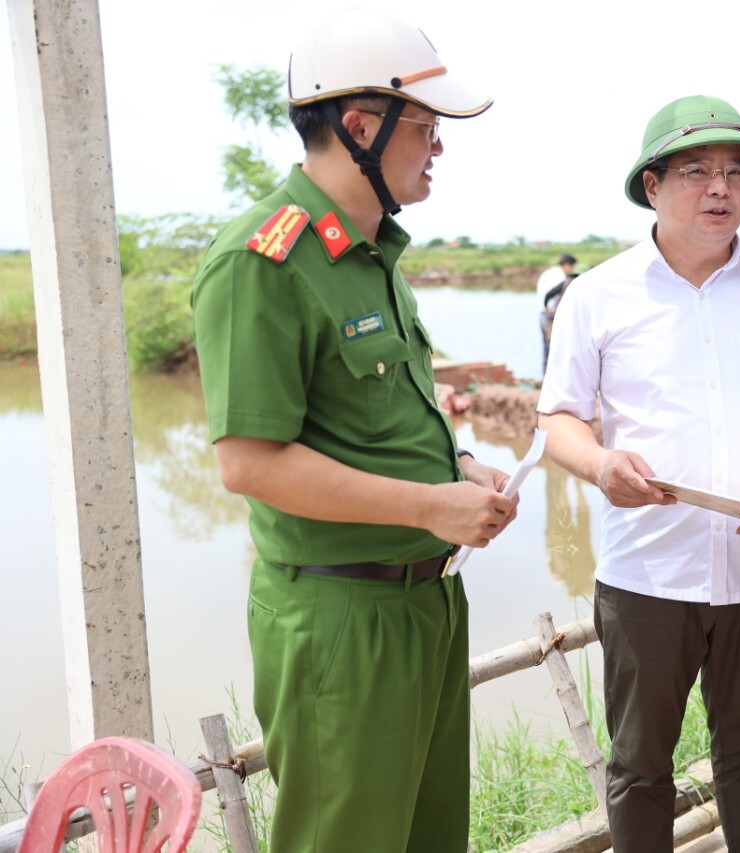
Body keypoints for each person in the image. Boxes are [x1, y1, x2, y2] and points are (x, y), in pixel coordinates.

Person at [189, 9, 517, 851]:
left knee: (429, 834)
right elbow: (248, 463)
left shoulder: (376, 255)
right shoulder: (263, 261)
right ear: (359, 125)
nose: (438, 146)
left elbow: (388, 415)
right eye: (425, 126)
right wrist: (426, 507)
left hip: (426, 601)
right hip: (342, 613)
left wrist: (465, 469)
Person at [537, 94, 740, 853]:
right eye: (697, 171)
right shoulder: (597, 296)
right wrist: (602, 462)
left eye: (735, 173)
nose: (720, 188)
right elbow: (557, 421)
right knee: (640, 763)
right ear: (652, 185)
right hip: (647, 572)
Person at [537, 253, 577, 373]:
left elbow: (545, 296)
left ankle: (545, 380)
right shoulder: (561, 277)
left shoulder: (547, 273)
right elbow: (553, 295)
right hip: (552, 317)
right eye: (572, 267)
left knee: (546, 348)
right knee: (556, 349)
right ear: (567, 265)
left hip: (542, 315)